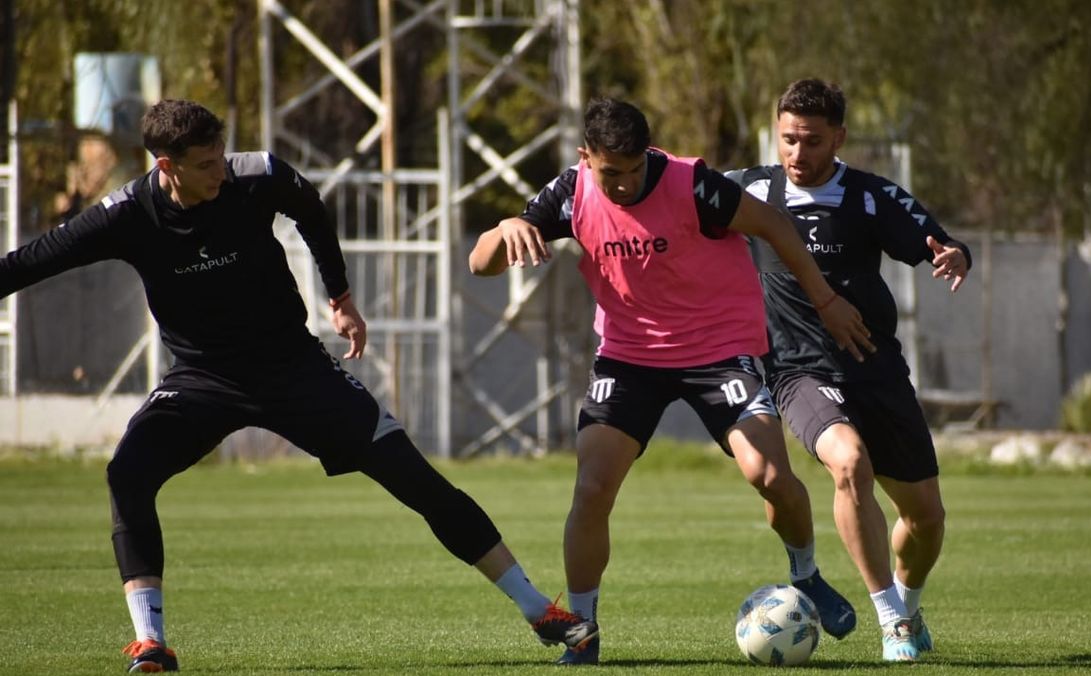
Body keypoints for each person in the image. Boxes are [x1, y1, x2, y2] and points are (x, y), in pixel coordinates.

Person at [0, 99, 597, 673]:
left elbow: (310, 210)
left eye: (220, 156)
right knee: (128, 473)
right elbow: (36, 258)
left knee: (412, 475)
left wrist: (340, 295)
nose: (219, 172)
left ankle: (537, 609)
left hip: (294, 367)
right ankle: (151, 643)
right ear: (166, 166)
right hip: (203, 378)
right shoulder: (127, 214)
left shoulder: (256, 176)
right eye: (205, 165)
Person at [468, 97, 874, 665]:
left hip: (719, 350)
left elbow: (774, 225)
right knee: (592, 486)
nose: (625, 184)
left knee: (769, 475)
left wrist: (826, 301)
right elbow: (480, 263)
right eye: (611, 172)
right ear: (586, 157)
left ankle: (805, 574)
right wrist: (507, 226)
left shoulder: (693, 185)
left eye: (635, 170)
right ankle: (583, 631)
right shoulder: (569, 192)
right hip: (629, 357)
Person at [726, 78, 972, 662]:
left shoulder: (871, 196)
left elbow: (938, 241)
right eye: (788, 139)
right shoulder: (750, 190)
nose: (797, 153)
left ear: (838, 137)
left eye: (812, 141)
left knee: (926, 518)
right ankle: (891, 620)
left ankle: (909, 606)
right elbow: (671, 189)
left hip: (876, 370)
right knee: (849, 461)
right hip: (798, 370)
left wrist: (956, 254)